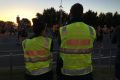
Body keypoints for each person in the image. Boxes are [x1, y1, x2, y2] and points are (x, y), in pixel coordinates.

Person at [59, 3, 96, 80]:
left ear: (70, 13)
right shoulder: (91, 30)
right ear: (82, 14)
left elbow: (59, 53)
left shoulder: (63, 30)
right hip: (86, 73)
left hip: (67, 73)